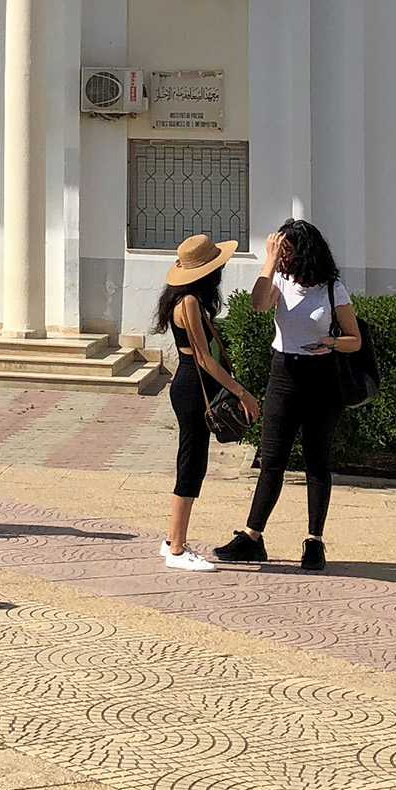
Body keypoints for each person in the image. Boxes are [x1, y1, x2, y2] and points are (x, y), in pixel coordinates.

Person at [213, 220, 363, 572]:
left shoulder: (332, 289)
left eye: (287, 250)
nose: (282, 256)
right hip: (284, 375)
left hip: (321, 378)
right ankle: (252, 537)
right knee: (272, 460)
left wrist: (330, 342)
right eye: (280, 249)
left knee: (316, 461)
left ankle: (314, 541)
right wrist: (268, 260)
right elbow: (258, 304)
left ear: (305, 251)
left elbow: (354, 339)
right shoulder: (279, 279)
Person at [151, 234, 259, 573]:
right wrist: (243, 392)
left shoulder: (183, 299)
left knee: (193, 460)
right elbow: (205, 360)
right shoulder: (191, 304)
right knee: (191, 463)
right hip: (191, 389)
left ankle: (173, 539)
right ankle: (177, 548)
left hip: (188, 386)